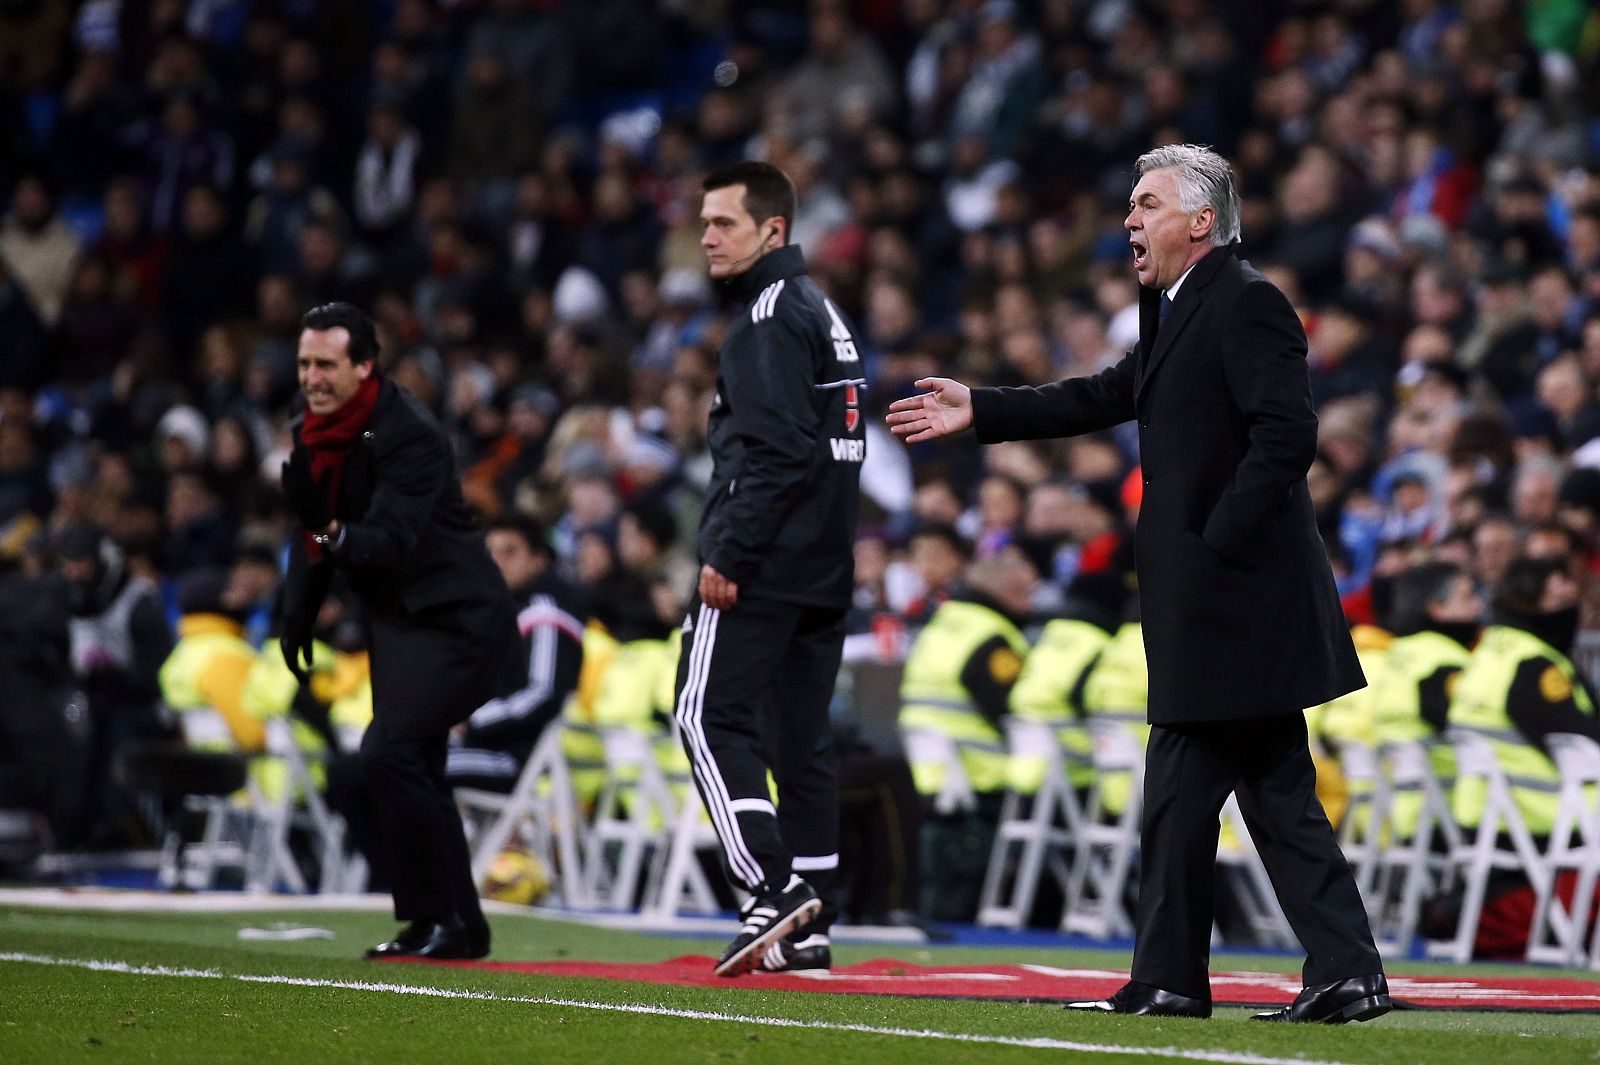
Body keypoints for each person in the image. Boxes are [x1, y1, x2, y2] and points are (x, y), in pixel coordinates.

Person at [887, 144, 1390, 1024]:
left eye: (1147, 203)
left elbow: (1288, 436)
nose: (1129, 219)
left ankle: (1181, 978)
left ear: (1201, 221)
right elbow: (1106, 393)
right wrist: (986, 409)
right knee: (1262, 796)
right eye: (1130, 204)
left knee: (1193, 796)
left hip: (1235, 602)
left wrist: (1212, 543)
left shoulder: (1249, 301)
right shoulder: (1173, 308)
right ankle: (1326, 970)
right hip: (1212, 604)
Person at [278, 301, 522, 960]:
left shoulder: (409, 433)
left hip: (455, 619)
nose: (312, 377)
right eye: (304, 363)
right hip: (400, 624)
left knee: (387, 754)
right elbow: (310, 529)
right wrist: (296, 613)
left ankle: (444, 917)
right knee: (411, 761)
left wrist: (328, 532)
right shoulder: (314, 430)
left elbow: (389, 538)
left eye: (326, 364)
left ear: (364, 366)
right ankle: (444, 924)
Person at [673, 160, 865, 977]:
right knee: (799, 740)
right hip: (823, 561)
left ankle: (769, 887)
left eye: (723, 223)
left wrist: (729, 549)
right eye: (705, 222)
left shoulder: (767, 314)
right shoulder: (816, 308)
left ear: (772, 230)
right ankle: (811, 923)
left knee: (703, 715)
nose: (707, 237)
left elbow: (777, 454)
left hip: (768, 558)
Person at [447, 516, 585, 792]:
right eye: (491, 553)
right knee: (373, 760)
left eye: (509, 552)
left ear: (540, 559)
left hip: (511, 756)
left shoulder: (545, 615)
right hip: (473, 743)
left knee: (396, 764)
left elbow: (540, 694)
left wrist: (471, 721)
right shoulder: (492, 611)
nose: (496, 562)